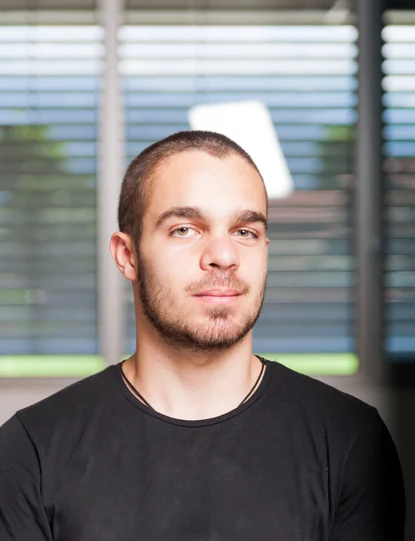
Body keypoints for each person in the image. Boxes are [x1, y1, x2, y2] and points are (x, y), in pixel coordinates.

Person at [0, 130, 406, 540]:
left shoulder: (350, 441)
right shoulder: (30, 451)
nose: (224, 256)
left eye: (244, 231)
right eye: (185, 229)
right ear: (128, 255)